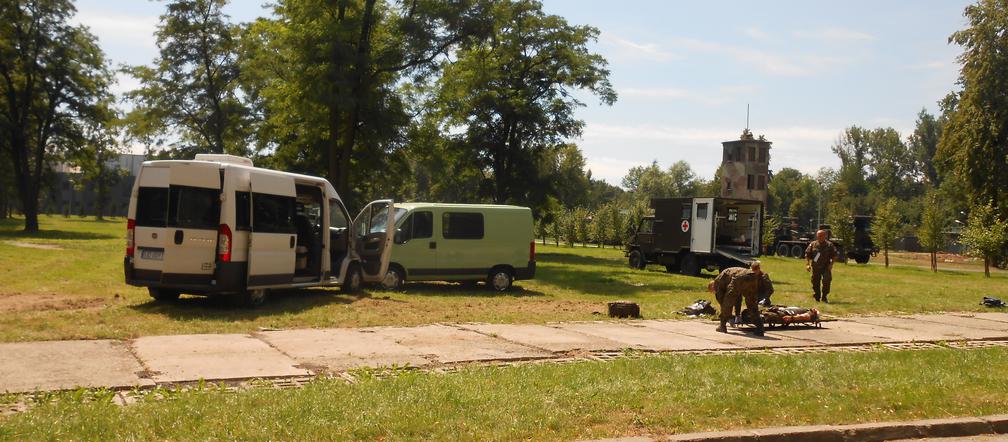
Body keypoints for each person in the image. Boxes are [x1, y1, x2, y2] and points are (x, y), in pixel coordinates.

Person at [708, 261, 767, 336]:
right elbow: (737, 299)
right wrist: (737, 314)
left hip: (738, 278)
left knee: (727, 303)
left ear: (712, 285)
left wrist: (728, 316)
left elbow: (722, 300)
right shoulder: (725, 275)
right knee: (752, 303)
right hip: (752, 277)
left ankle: (722, 326)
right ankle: (760, 327)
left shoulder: (718, 282)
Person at [805, 229, 838, 303]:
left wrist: (831, 264)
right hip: (816, 266)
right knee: (815, 282)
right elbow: (807, 255)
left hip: (826, 266)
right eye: (818, 236)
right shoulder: (813, 244)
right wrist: (808, 264)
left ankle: (824, 296)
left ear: (825, 236)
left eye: (821, 236)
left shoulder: (829, 245)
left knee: (827, 280)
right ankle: (817, 295)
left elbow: (835, 255)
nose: (820, 237)